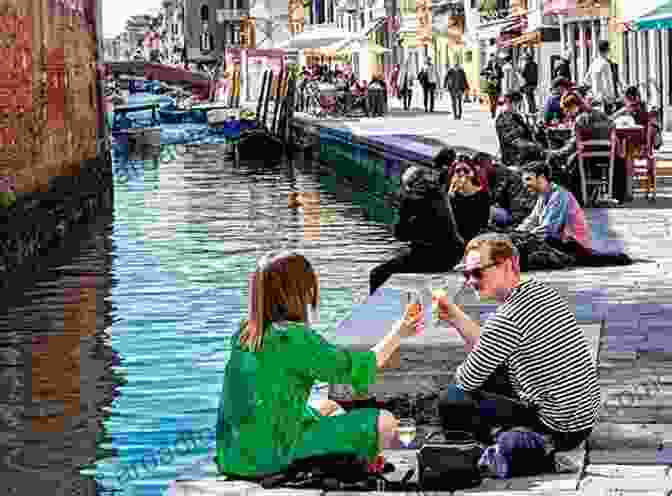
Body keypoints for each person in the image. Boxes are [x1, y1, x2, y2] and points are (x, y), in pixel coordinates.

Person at [216, 251, 423, 478]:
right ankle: (349, 467)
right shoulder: (295, 339)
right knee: (385, 422)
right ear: (299, 292)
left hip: (234, 455)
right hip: (271, 455)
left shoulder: (245, 333)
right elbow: (359, 365)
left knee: (331, 406)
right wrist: (400, 331)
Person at [435, 233, 601, 455]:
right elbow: (492, 345)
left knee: (452, 399)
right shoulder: (539, 290)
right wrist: (455, 316)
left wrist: (466, 370)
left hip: (558, 428)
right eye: (466, 274)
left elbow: (466, 380)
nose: (470, 281)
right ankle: (503, 435)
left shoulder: (507, 318)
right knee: (492, 370)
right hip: (581, 420)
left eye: (477, 272)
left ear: (506, 266)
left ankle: (468, 453)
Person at [369, 163, 464, 295]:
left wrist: (400, 211)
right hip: (455, 253)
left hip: (435, 256)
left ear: (409, 185)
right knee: (405, 256)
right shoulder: (440, 193)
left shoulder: (412, 199)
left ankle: (375, 306)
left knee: (376, 273)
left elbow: (400, 234)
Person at [547, 92, 626, 204]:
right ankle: (614, 195)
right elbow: (612, 126)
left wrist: (555, 153)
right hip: (608, 155)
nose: (567, 113)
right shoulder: (600, 114)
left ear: (574, 106)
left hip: (588, 156)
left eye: (567, 110)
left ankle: (578, 197)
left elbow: (572, 145)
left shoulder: (579, 120)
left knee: (571, 162)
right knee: (618, 161)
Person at [515, 161, 591, 256]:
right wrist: (516, 233)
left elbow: (548, 229)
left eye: (528, 179)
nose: (525, 185)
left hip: (575, 246)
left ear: (542, 178)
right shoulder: (543, 196)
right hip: (558, 241)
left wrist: (523, 237)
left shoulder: (559, 195)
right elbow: (531, 220)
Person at [473, 152, 537, 228]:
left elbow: (517, 210)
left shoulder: (507, 176)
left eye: (481, 168)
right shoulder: (487, 177)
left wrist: (484, 183)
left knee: (482, 209)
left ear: (489, 164)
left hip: (516, 215)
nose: (478, 172)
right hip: (506, 212)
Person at [446, 158, 491, 244]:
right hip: (451, 235)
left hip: (469, 237)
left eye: (466, 170)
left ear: (473, 173)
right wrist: (451, 191)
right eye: (458, 171)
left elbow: (482, 222)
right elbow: (446, 217)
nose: (462, 173)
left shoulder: (482, 194)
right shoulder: (451, 192)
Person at [495, 91, 544, 168]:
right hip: (515, 157)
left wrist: (534, 129)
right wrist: (535, 146)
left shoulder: (515, 116)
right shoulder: (504, 119)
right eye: (518, 104)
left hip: (523, 153)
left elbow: (524, 132)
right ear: (511, 103)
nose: (519, 107)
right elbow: (515, 141)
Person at [583, 40, 616, 111]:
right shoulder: (605, 64)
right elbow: (608, 82)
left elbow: (586, 80)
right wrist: (611, 98)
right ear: (607, 50)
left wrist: (594, 87)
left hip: (595, 97)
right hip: (603, 99)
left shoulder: (594, 63)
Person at [482, 53, 503, 119]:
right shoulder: (488, 65)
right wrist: (487, 72)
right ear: (490, 58)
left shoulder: (499, 66)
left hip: (497, 85)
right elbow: (482, 73)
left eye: (494, 57)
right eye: (492, 57)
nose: (493, 59)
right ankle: (492, 112)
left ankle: (494, 111)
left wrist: (497, 76)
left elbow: (502, 75)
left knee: (496, 100)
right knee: (491, 100)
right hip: (490, 85)